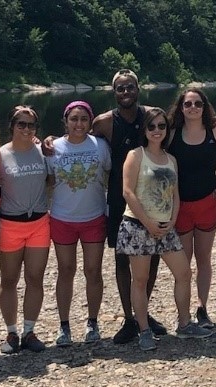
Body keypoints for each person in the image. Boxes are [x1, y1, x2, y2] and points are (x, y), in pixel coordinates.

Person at [118, 108, 214, 350]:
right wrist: (148, 222)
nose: (157, 131)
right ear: (145, 130)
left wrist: (171, 220)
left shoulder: (171, 159)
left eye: (161, 126)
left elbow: (176, 194)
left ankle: (184, 324)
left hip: (165, 227)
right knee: (140, 280)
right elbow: (127, 192)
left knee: (183, 273)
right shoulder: (136, 155)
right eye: (152, 127)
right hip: (138, 226)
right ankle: (144, 330)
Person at [91, 69, 167, 344]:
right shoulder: (104, 123)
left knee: (152, 255)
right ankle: (129, 318)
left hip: (153, 198)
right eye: (121, 89)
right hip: (119, 197)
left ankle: (142, 313)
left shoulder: (150, 117)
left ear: (138, 89)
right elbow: (77, 140)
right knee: (122, 258)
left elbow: (175, 129)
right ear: (114, 92)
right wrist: (48, 143)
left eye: (130, 87)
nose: (126, 93)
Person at [46, 101, 111, 346]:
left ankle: (92, 322)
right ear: (65, 121)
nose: (79, 124)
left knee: (93, 271)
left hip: (94, 216)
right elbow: (48, 180)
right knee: (65, 271)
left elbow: (109, 173)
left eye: (84, 119)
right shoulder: (53, 149)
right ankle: (64, 326)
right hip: (62, 218)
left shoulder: (100, 146)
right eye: (74, 119)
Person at [167, 89, 216, 328]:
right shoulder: (170, 133)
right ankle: (184, 312)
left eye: (198, 103)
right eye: (188, 103)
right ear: (181, 107)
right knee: (183, 263)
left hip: (207, 202)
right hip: (180, 205)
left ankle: (202, 308)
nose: (193, 107)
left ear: (205, 106)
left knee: (204, 259)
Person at [0, 106, 49, 353]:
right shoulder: (1, 155)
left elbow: (53, 179)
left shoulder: (44, 152)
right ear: (12, 127)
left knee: (35, 278)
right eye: (21, 124)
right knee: (9, 280)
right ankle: (11, 332)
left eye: (31, 125)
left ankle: (29, 331)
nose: (26, 129)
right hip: (10, 224)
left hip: (39, 223)